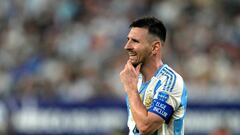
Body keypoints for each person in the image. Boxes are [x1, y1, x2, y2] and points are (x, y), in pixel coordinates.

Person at [120, 16, 187, 135]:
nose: (127, 46)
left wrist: (131, 88)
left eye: (135, 41)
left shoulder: (170, 81)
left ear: (155, 47)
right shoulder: (136, 80)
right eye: (128, 40)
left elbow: (145, 127)